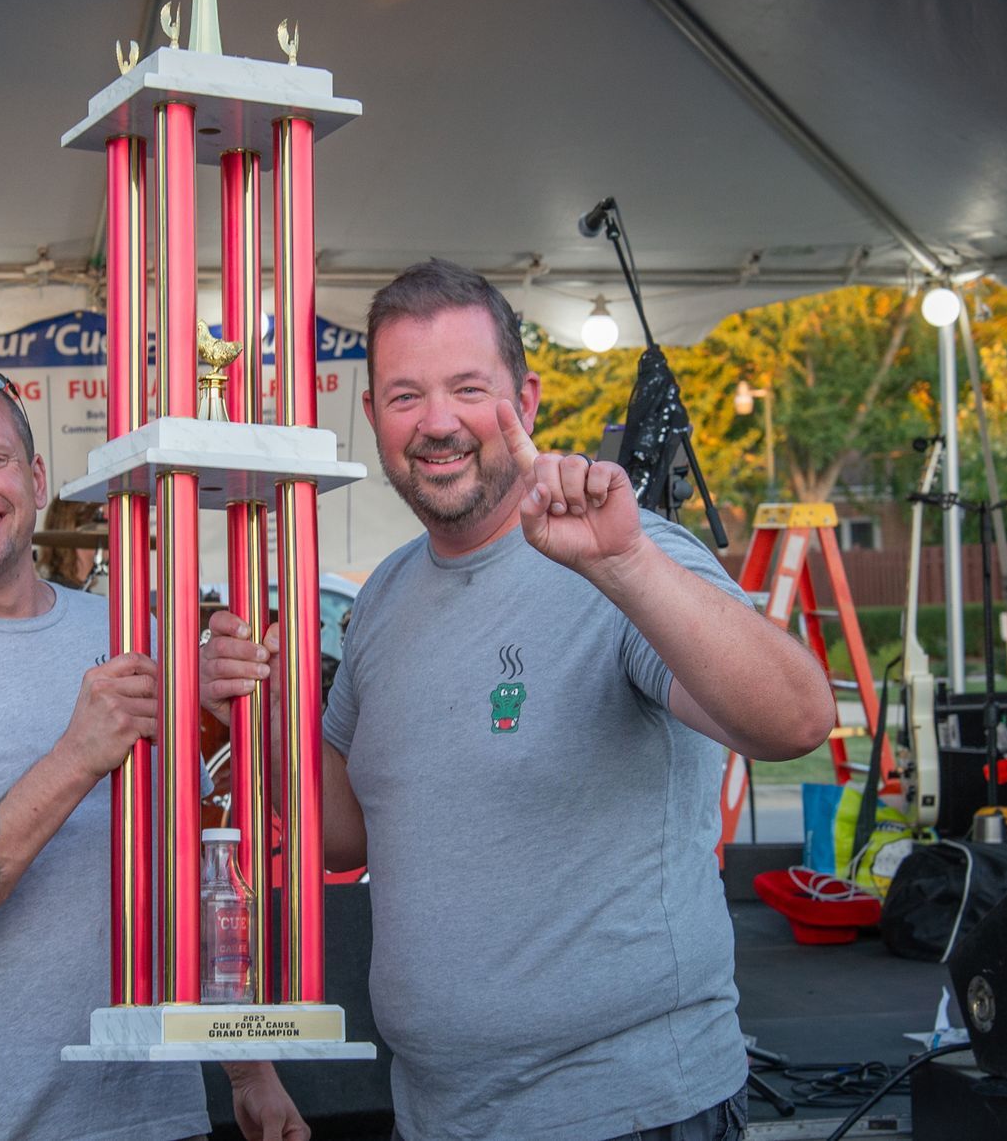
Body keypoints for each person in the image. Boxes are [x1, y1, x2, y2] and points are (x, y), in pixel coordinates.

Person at [203, 260, 837, 1141]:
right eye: (406, 396)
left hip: (629, 1116)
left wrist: (626, 566)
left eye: (468, 389)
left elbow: (797, 720)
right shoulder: (382, 598)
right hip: (438, 1115)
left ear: (526, 399)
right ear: (373, 415)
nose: (437, 423)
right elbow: (346, 833)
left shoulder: (623, 552)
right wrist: (263, 706)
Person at [0, 367, 308, 1141]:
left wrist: (249, 1070)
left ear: (37, 478)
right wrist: (76, 758)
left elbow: (190, 867)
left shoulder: (134, 632)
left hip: (155, 1121)